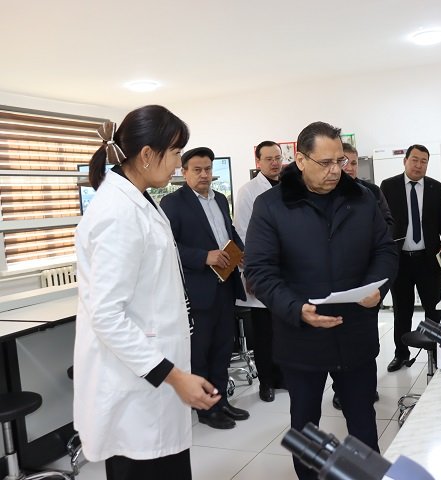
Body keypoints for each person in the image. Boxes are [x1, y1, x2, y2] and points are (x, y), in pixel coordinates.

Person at [244, 121, 398, 480]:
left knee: (363, 422)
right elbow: (260, 271)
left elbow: (385, 251)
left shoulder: (362, 198)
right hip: (301, 337)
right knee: (305, 426)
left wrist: (377, 288)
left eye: (339, 161)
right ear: (300, 160)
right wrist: (296, 308)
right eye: (325, 162)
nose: (335, 171)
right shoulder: (271, 205)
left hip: (355, 331)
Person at [74, 105, 220, 480]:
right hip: (137, 389)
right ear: (146, 155)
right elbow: (107, 315)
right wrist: (174, 376)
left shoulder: (139, 200)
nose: (178, 164)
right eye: (175, 153)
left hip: (152, 384)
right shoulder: (117, 213)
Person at [160, 147, 249, 430]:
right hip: (198, 290)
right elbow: (168, 247)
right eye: (197, 170)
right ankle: (207, 410)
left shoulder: (220, 199)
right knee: (201, 352)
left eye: (208, 169)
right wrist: (203, 257)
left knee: (223, 349)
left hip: (225, 284)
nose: (204, 175)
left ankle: (222, 402)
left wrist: (241, 252)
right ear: (184, 172)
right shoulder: (172, 203)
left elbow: (228, 232)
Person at [380, 144, 441, 372]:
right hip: (400, 260)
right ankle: (401, 354)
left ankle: (437, 353)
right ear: (405, 161)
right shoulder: (389, 186)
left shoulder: (436, 188)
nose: (419, 165)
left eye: (424, 161)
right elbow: (382, 223)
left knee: (433, 309)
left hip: (428, 259)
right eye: (415, 159)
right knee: (402, 310)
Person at [331, 142, 393, 410]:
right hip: (337, 279)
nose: (350, 168)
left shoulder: (371, 192)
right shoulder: (327, 193)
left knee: (366, 334)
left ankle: (368, 385)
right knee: (337, 335)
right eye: (345, 162)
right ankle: (339, 389)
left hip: (367, 276)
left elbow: (387, 224)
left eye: (354, 163)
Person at [233, 140, 285, 402]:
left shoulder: (289, 186)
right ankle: (267, 382)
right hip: (262, 271)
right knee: (264, 332)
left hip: (287, 271)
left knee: (284, 329)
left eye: (278, 158)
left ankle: (282, 377)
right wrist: (252, 272)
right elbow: (243, 233)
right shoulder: (248, 191)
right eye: (269, 159)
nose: (275, 163)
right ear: (258, 162)